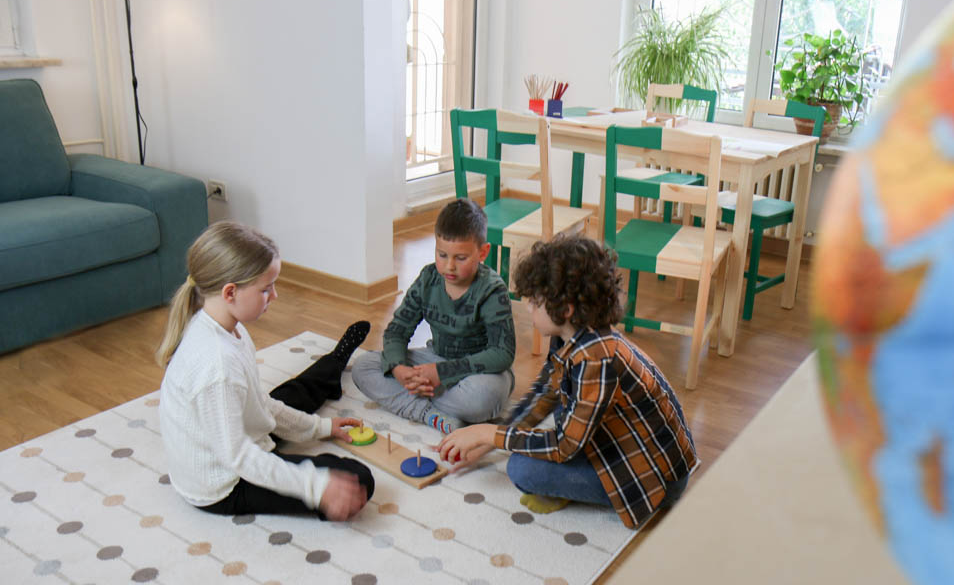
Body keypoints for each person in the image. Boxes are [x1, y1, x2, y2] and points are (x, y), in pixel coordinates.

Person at [437, 235, 699, 529]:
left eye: (534, 302)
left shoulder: (597, 360)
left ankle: (571, 490)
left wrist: (488, 433)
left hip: (656, 479)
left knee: (523, 469)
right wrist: (488, 442)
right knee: (552, 411)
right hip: (627, 448)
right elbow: (543, 395)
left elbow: (564, 445)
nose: (528, 308)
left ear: (566, 309)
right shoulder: (570, 335)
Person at [156, 221, 374, 521]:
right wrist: (317, 485)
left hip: (233, 438)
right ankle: (329, 378)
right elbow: (240, 457)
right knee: (357, 479)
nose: (274, 296)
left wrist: (321, 428)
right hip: (226, 484)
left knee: (286, 396)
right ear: (230, 292)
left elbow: (260, 404)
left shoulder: (228, 327)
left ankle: (335, 361)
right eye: (266, 289)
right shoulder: (217, 365)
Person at [352, 198, 516, 434]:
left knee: (484, 398)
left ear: (482, 252)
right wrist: (399, 369)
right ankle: (430, 415)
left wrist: (442, 374)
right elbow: (397, 331)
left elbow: (502, 353)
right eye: (442, 255)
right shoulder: (428, 279)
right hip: (435, 359)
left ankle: (416, 396)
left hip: (478, 373)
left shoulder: (492, 289)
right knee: (363, 367)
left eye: (461, 258)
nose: (449, 266)